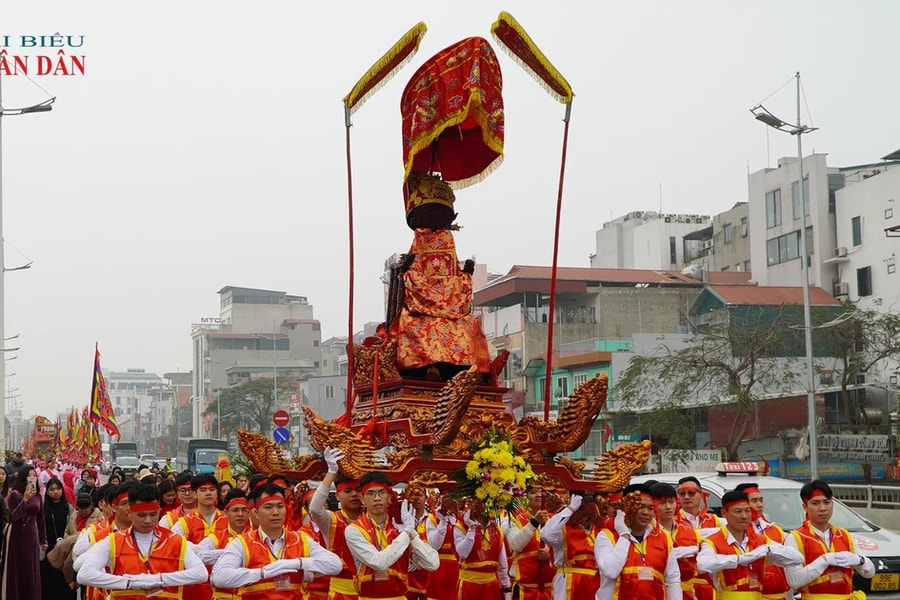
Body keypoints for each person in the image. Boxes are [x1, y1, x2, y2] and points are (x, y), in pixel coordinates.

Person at [210, 482, 342, 599]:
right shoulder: (243, 543)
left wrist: (297, 563)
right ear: (255, 513)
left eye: (280, 506)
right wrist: (262, 573)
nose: (275, 512)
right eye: (268, 507)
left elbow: (335, 565)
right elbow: (219, 577)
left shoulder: (300, 539)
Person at [76, 483, 208, 596]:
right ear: (130, 513)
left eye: (153, 514)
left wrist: (159, 579)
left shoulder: (175, 541)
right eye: (141, 515)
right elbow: (84, 574)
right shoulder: (112, 541)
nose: (148, 521)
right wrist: (129, 583)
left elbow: (201, 573)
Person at [345, 471, 439, 599]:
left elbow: (432, 564)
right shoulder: (354, 530)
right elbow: (379, 563)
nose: (377, 498)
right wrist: (406, 533)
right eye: (371, 493)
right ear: (362, 499)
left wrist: (411, 534)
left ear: (389, 497)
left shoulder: (399, 526)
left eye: (381, 492)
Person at [697, 490, 801, 600]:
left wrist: (768, 549)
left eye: (747, 511)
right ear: (724, 513)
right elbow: (703, 564)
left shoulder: (760, 541)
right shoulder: (713, 541)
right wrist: (740, 559)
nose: (744, 516)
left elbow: (797, 558)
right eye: (738, 511)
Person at [783, 480, 875, 598]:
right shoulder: (796, 538)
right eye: (815, 503)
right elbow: (794, 581)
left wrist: (859, 560)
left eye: (827, 502)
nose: (822, 508)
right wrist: (824, 561)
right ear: (805, 507)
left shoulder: (844, 535)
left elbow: (870, 573)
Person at [595, 483, 681, 600]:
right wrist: (624, 535)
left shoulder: (663, 537)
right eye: (640, 507)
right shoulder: (606, 536)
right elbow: (611, 571)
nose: (646, 512)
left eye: (650, 508)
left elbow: (672, 579)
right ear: (626, 508)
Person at [309, 447, 364, 599]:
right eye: (348, 491)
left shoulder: (371, 519)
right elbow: (314, 509)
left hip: (370, 591)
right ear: (337, 495)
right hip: (341, 593)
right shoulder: (331, 520)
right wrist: (332, 471)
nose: (354, 494)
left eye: (358, 490)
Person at [733, 483, 792, 600]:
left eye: (761, 500)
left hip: (778, 595)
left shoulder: (775, 530)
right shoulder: (736, 532)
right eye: (754, 501)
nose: (759, 505)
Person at [194, 488, 252, 600]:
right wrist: (231, 553)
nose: (240, 514)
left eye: (244, 510)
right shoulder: (216, 537)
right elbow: (199, 556)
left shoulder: (255, 537)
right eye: (235, 510)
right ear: (225, 513)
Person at [1, 465, 48, 600]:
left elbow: (40, 519)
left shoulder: (38, 496)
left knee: (30, 570)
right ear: (23, 477)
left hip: (31, 535)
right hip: (16, 536)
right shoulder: (14, 495)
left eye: (34, 474)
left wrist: (43, 539)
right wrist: (25, 499)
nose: (32, 477)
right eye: (29, 475)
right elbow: (12, 517)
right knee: (16, 569)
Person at [542, 494, 600, 600]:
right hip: (568, 583)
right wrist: (570, 509)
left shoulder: (598, 531)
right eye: (581, 513)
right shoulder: (562, 530)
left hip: (594, 585)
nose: (585, 517)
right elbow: (546, 534)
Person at [650, 483, 702, 600]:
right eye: (662, 503)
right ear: (652, 505)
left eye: (671, 501)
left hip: (686, 592)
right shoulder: (646, 533)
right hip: (655, 591)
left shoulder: (689, 532)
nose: (668, 507)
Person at [502, 484, 554, 600]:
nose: (539, 495)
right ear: (524, 496)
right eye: (534, 492)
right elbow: (516, 544)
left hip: (551, 589)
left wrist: (550, 554)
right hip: (524, 590)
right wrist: (534, 522)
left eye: (542, 492)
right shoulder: (512, 518)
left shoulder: (553, 519)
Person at [41, 478, 76, 600]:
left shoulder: (69, 508)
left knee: (65, 582)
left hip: (65, 549)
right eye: (52, 489)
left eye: (58, 489)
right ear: (48, 492)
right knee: (49, 583)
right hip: (48, 549)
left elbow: (73, 529)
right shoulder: (43, 509)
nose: (56, 492)